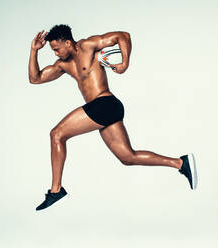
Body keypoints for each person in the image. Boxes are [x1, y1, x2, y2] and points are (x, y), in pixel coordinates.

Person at [28, 24, 197, 211]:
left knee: (57, 134)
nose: (55, 54)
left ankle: (56, 191)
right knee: (128, 157)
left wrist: (125, 63)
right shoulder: (63, 65)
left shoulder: (88, 46)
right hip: (105, 111)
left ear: (68, 42)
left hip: (104, 104)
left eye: (57, 49)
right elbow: (35, 78)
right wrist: (34, 51)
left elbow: (123, 36)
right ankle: (181, 163)